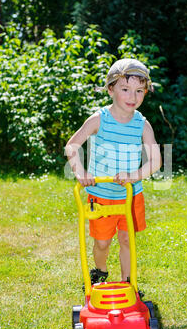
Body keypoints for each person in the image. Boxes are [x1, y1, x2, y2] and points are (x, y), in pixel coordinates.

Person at [65, 58, 161, 286]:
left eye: (139, 91)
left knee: (127, 239)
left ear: (146, 92)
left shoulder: (142, 124)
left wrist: (134, 176)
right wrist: (80, 171)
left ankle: (128, 283)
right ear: (110, 89)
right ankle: (100, 271)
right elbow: (72, 145)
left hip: (130, 195)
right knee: (102, 243)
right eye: (125, 89)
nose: (133, 97)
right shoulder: (100, 119)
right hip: (102, 195)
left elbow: (156, 160)